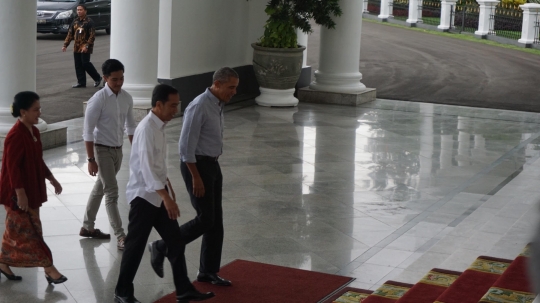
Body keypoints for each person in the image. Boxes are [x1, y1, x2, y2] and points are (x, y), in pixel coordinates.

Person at [115, 84, 214, 303]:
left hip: (158, 194)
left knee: (176, 241)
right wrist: (166, 197)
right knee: (135, 247)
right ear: (158, 104)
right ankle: (122, 292)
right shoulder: (146, 129)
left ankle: (183, 289)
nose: (175, 110)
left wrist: (167, 188)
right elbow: (147, 170)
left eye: (177, 105)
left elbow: (157, 165)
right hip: (144, 198)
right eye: (172, 105)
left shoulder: (158, 126)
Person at [151, 67, 239, 287]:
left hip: (212, 164)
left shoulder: (217, 104)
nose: (234, 92)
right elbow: (185, 147)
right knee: (206, 219)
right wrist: (196, 177)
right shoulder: (199, 106)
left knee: (215, 222)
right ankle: (162, 246)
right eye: (231, 87)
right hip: (196, 166)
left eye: (236, 88)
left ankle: (207, 271)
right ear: (217, 84)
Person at [0, 91, 67, 284]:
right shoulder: (14, 136)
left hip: (32, 189)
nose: (39, 112)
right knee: (33, 230)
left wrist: (52, 178)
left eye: (39, 109)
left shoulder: (34, 132)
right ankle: (49, 268)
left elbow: (38, 160)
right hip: (18, 193)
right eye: (35, 109)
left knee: (16, 231)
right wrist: (20, 194)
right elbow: (11, 169)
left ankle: (3, 261)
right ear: (23, 112)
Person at [80, 59, 136, 250]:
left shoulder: (127, 98)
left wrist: (136, 152)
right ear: (104, 78)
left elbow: (130, 126)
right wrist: (90, 159)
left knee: (100, 188)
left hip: (117, 151)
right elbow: (87, 132)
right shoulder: (98, 100)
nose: (119, 83)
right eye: (114, 79)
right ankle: (121, 237)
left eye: (121, 78)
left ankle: (87, 227)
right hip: (101, 150)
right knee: (111, 193)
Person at [62, 4, 101, 88]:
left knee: (85, 63)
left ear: (85, 11)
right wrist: (65, 44)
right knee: (78, 64)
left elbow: (92, 36)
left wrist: (87, 46)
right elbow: (70, 34)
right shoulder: (75, 21)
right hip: (77, 46)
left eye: (81, 10)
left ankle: (97, 77)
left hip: (85, 46)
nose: (79, 11)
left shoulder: (89, 22)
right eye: (78, 10)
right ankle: (81, 82)